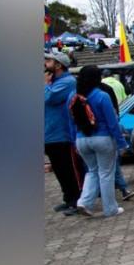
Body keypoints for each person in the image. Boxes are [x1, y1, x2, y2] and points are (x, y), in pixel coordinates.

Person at [69, 66, 128, 217]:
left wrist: (74, 140)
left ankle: (84, 202)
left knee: (92, 171)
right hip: (102, 138)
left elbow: (71, 122)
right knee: (106, 174)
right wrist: (122, 143)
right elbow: (112, 122)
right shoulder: (102, 96)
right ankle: (110, 208)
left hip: (81, 139)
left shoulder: (72, 96)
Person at [44, 52, 84, 216]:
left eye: (49, 60)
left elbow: (48, 98)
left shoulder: (67, 82)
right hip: (50, 134)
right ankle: (68, 198)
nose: (46, 63)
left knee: (68, 169)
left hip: (62, 134)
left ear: (59, 65)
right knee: (59, 170)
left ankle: (76, 200)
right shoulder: (54, 82)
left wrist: (45, 84)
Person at [97, 69, 134, 202]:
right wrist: (122, 143)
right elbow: (125, 98)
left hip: (92, 132)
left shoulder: (88, 92)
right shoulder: (116, 85)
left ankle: (90, 199)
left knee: (96, 170)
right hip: (116, 115)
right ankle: (122, 191)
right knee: (111, 166)